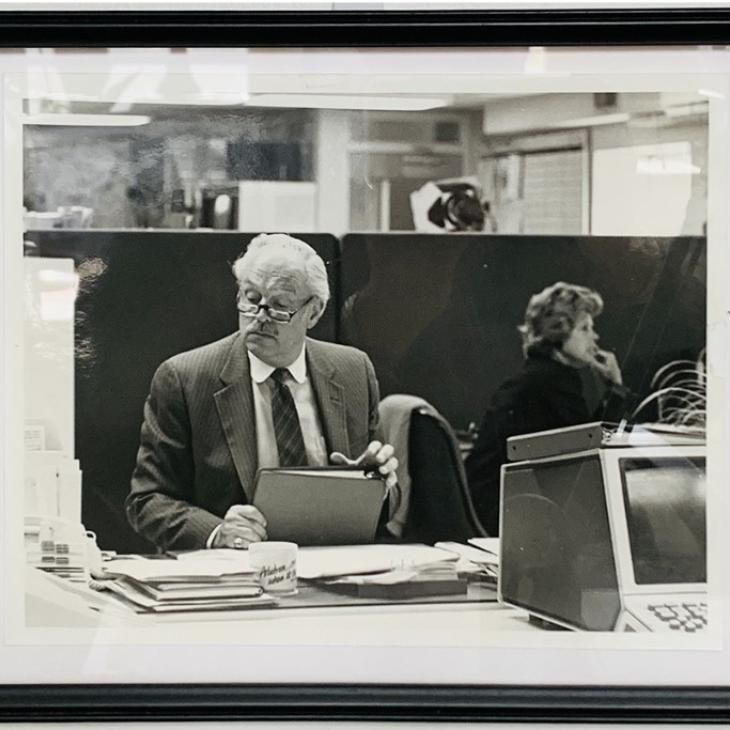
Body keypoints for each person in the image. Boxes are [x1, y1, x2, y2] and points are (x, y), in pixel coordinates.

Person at [126, 233, 398, 552]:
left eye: (280, 307)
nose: (260, 318)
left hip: (332, 565)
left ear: (314, 312)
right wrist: (216, 532)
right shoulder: (185, 379)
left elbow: (386, 509)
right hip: (233, 574)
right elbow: (147, 501)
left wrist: (378, 485)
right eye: (251, 299)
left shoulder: (353, 371)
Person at [465, 281, 632, 535]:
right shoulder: (552, 382)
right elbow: (588, 460)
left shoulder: (541, 375)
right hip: (504, 519)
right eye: (585, 328)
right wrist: (616, 388)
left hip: (494, 509)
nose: (595, 337)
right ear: (559, 331)